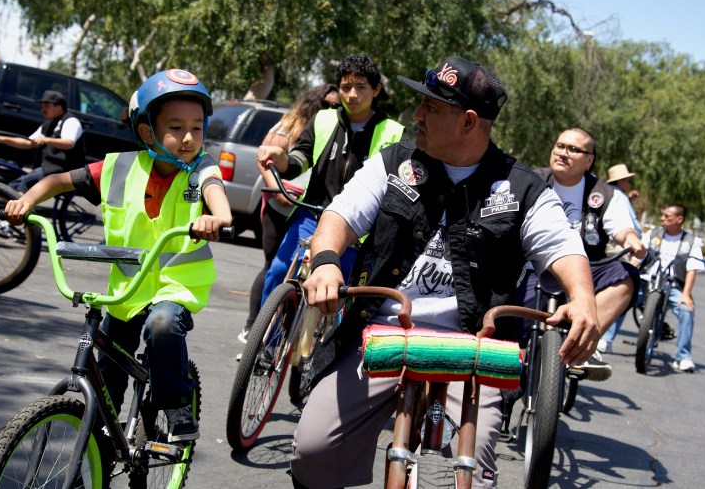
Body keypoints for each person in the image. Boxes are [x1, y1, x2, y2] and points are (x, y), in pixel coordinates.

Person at [290, 56, 601, 488]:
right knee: (312, 452)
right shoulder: (393, 162)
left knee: (466, 472)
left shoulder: (523, 188)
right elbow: (340, 215)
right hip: (379, 334)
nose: (416, 115)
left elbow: (563, 247)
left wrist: (583, 299)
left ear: (469, 122)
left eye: (431, 108)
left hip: (474, 349)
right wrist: (325, 262)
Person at [3, 69, 232, 441]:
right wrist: (26, 201)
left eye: (197, 127)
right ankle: (98, 451)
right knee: (106, 376)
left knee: (162, 325)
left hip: (177, 286)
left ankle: (175, 404)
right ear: (147, 133)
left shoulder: (202, 168)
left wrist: (217, 218)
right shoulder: (118, 167)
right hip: (127, 291)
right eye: (175, 128)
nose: (189, 137)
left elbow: (215, 193)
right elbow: (57, 181)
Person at [255, 54, 404, 320]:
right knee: (279, 270)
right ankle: (266, 340)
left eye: (361, 87)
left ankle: (320, 349)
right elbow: (299, 159)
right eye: (345, 87)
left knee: (339, 293)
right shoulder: (323, 119)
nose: (352, 94)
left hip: (356, 230)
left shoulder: (394, 132)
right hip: (312, 215)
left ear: (376, 90)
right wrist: (281, 159)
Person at [519, 128, 646, 380]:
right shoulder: (528, 180)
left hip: (586, 271)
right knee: (507, 330)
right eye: (560, 146)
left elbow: (621, 227)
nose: (563, 153)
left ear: (589, 160)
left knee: (626, 274)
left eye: (573, 149)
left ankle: (583, 342)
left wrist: (631, 238)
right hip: (534, 269)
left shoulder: (607, 194)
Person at [240, 84, 340, 343]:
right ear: (315, 102)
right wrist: (277, 191)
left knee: (304, 272)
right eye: (328, 104)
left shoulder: (336, 128)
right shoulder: (291, 125)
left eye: (336, 106)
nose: (334, 109)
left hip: (309, 208)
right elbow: (266, 160)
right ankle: (255, 327)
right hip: (280, 204)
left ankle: (289, 334)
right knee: (275, 267)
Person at [634, 204, 705, 372]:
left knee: (687, 310)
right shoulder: (652, 234)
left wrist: (686, 294)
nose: (662, 219)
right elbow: (638, 257)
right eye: (663, 215)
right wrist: (628, 274)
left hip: (672, 285)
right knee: (623, 296)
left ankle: (683, 357)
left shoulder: (691, 241)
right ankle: (605, 340)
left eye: (668, 217)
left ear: (679, 220)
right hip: (647, 280)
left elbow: (692, 269)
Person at [0, 90, 85, 193]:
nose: (43, 110)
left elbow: (69, 143)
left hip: (64, 173)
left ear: (59, 107)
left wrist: (45, 140)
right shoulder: (48, 124)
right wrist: (2, 139)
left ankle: (19, 208)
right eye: (42, 107)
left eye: (47, 106)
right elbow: (29, 143)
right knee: (12, 186)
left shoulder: (71, 121)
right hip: (47, 170)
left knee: (25, 183)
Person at [599, 163, 645, 353]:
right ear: (621, 180)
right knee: (628, 291)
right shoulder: (618, 196)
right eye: (627, 179)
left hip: (611, 249)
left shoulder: (610, 194)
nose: (629, 182)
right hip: (620, 252)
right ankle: (605, 337)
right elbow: (629, 225)